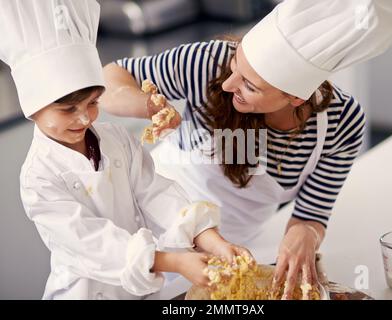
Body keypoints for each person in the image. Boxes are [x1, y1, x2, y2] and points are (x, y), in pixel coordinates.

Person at [101, 0, 392, 299]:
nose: (228, 85)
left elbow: (311, 214)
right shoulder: (208, 64)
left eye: (249, 85)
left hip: (228, 249)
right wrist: (147, 105)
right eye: (236, 67)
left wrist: (306, 234)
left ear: (296, 98)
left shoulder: (343, 123)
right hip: (144, 224)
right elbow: (111, 76)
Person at [0, 0, 251, 300]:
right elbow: (91, 243)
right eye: (68, 110)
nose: (84, 118)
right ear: (33, 108)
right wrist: (172, 261)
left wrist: (208, 238)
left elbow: (155, 193)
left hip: (140, 290)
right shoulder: (38, 178)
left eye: (92, 103)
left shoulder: (115, 139)